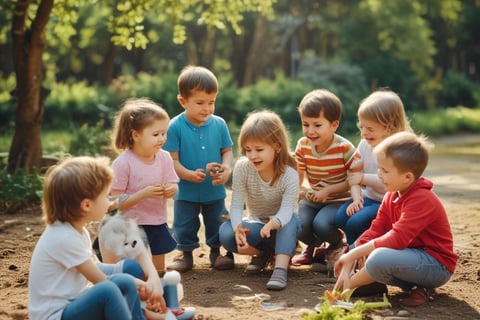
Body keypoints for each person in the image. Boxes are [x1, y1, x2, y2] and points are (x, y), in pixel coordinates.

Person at [28, 156, 164, 320]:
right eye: (106, 196)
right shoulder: (63, 238)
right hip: (56, 315)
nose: (110, 201)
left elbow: (95, 267)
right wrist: (135, 284)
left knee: (126, 277)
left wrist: (132, 282)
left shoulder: (76, 231)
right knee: (108, 290)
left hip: (72, 305)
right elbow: (100, 280)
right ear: (86, 205)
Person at [333, 131, 458, 307]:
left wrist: (349, 282)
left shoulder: (422, 198)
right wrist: (352, 254)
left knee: (377, 257)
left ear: (407, 177)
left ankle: (350, 287)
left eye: (385, 170)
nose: (379, 175)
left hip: (436, 266)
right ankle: (418, 287)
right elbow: (376, 229)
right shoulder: (391, 196)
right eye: (379, 168)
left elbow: (397, 238)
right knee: (359, 249)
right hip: (411, 259)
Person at [219, 110, 302, 290]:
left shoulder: (289, 175)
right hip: (258, 225)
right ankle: (262, 254)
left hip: (284, 225)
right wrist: (237, 229)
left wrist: (273, 223)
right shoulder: (242, 167)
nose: (253, 156)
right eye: (248, 150)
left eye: (259, 149)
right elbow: (235, 205)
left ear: (277, 146)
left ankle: (280, 269)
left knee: (289, 222)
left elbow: (288, 210)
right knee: (226, 233)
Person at [163, 65, 234, 271]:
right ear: (183, 101)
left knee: (217, 221)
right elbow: (171, 160)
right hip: (186, 189)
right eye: (200, 102)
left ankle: (216, 252)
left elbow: (227, 152)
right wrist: (188, 174)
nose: (207, 108)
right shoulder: (175, 126)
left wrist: (226, 169)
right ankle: (185, 254)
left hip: (214, 188)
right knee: (184, 223)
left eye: (211, 102)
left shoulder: (219, 124)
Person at [104, 98, 179, 277]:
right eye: (156, 134)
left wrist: (171, 189)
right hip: (131, 226)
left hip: (157, 221)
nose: (162, 138)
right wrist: (143, 194)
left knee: (159, 271)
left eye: (164, 133)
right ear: (135, 135)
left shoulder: (165, 157)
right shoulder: (123, 163)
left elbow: (173, 184)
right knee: (138, 272)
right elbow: (115, 203)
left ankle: (158, 297)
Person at [291, 89, 359, 269]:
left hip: (339, 200)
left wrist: (327, 191)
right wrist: (297, 191)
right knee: (299, 223)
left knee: (321, 224)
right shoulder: (303, 145)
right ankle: (314, 247)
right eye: (305, 124)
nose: (310, 131)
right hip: (315, 198)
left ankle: (337, 244)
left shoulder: (345, 148)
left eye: (317, 125)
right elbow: (299, 172)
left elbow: (354, 179)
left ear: (334, 125)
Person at [335, 90, 413, 245]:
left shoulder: (397, 150)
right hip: (368, 197)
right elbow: (354, 172)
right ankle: (356, 245)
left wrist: (363, 178)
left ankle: (357, 253)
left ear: (390, 127)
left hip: (388, 203)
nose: (364, 133)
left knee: (355, 223)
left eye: (370, 129)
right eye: (362, 126)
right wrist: (356, 199)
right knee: (340, 217)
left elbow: (392, 182)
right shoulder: (365, 144)